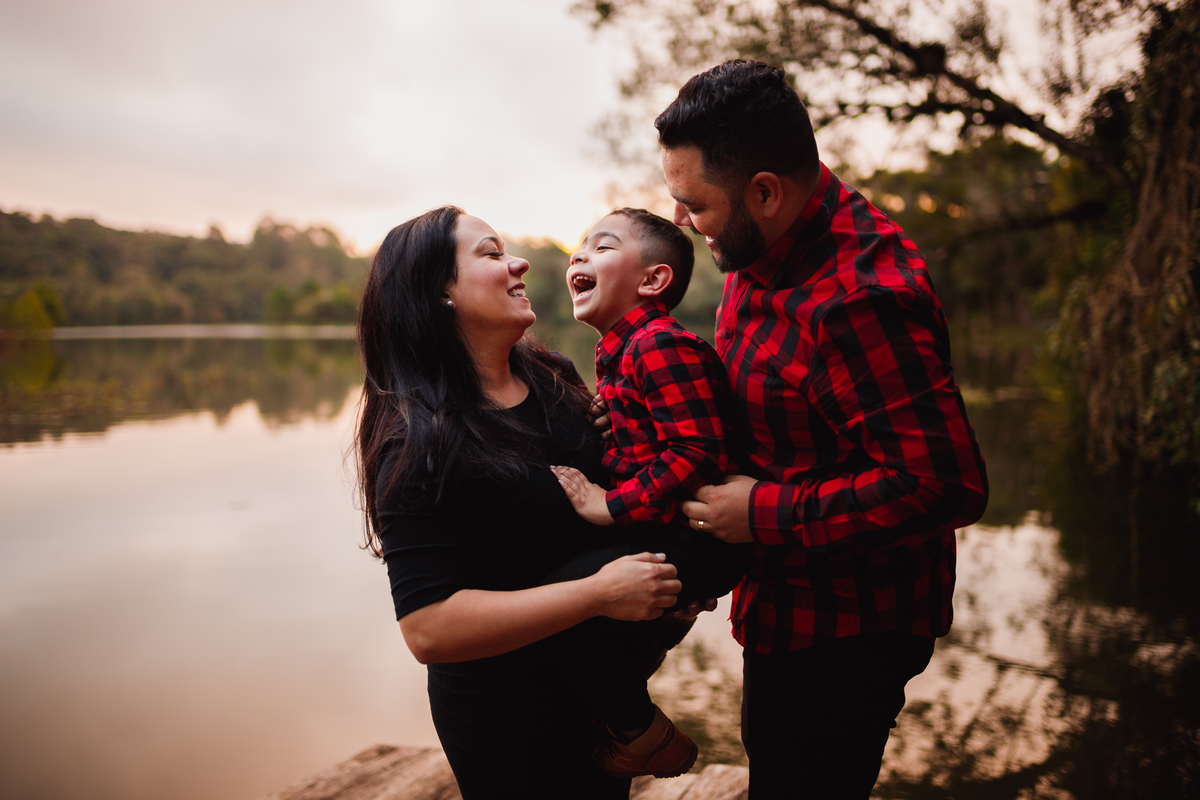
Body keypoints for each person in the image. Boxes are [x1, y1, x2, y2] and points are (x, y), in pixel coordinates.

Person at [655, 61, 990, 798]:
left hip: (847, 629)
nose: (681, 219)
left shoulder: (862, 299)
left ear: (766, 191)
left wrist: (760, 514)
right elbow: (777, 398)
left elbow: (946, 486)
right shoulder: (758, 244)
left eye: (695, 204)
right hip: (783, 598)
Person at [354, 206, 692, 799]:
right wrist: (600, 594)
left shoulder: (551, 373)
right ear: (439, 294)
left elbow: (613, 495)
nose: (520, 263)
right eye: (489, 254)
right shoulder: (420, 438)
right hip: (508, 713)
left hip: (598, 694)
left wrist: (671, 578)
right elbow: (428, 629)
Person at [551, 208, 750, 773]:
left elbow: (698, 451)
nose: (579, 255)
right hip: (668, 530)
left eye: (602, 247)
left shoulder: (658, 344)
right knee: (567, 599)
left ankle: (643, 733)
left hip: (699, 538)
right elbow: (654, 437)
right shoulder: (621, 351)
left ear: (652, 281)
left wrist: (606, 505)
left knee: (563, 604)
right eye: (581, 246)